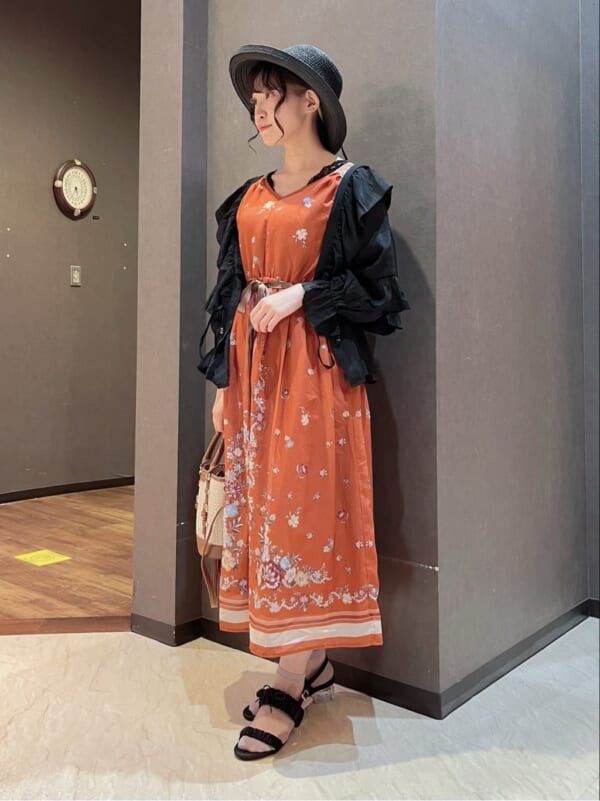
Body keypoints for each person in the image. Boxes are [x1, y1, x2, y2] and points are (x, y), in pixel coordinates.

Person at [199, 44, 410, 760]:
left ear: (310, 101)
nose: (258, 110)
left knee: (304, 520)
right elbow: (229, 297)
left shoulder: (347, 189)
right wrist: (225, 387)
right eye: (254, 99)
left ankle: (289, 681)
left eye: (271, 95)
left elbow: (379, 296)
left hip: (315, 382)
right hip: (254, 382)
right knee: (263, 518)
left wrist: (302, 294)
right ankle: (309, 663)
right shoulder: (249, 198)